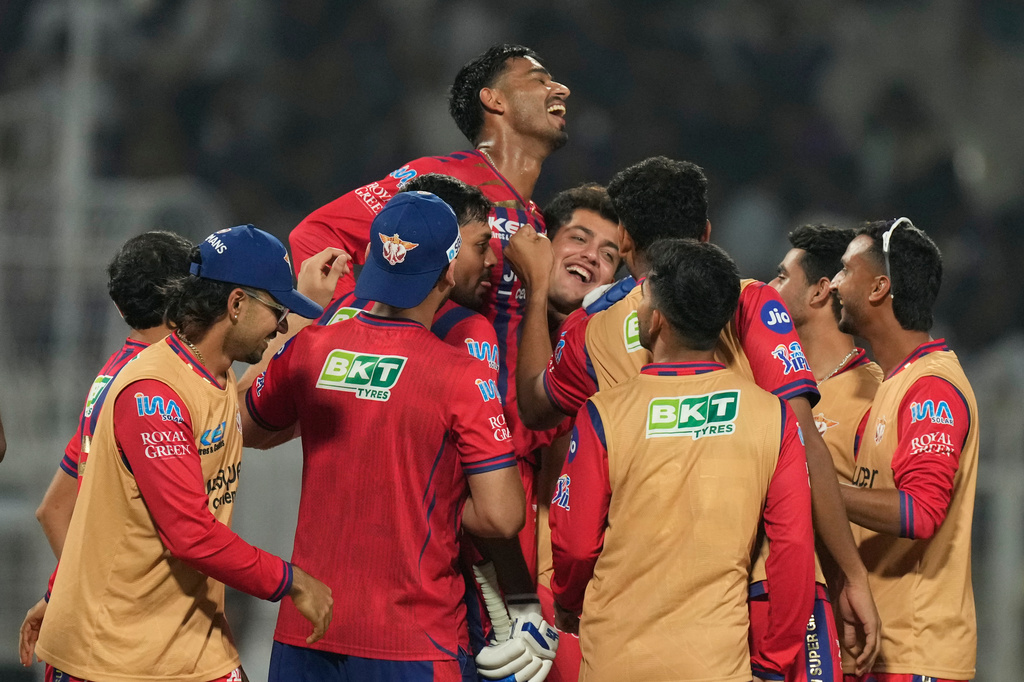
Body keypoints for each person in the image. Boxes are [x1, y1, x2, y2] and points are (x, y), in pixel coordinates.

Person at [513, 156, 880, 678]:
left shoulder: (586, 333)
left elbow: (532, 404)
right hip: (753, 590)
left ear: (626, 243)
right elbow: (802, 445)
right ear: (705, 234)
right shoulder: (750, 302)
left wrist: (532, 289)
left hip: (633, 606)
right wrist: (850, 575)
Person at [242, 191, 526, 682]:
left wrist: (304, 316)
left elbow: (244, 426)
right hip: (411, 638)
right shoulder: (461, 375)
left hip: (307, 630)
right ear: (448, 272)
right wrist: (433, 503)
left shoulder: (312, 347)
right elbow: (502, 517)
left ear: (373, 257)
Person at [31, 225, 335, 682]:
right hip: (113, 659)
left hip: (186, 642)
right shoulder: (151, 392)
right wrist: (290, 581)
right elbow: (189, 534)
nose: (281, 323)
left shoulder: (213, 373)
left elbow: (94, 507)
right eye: (277, 309)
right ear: (235, 305)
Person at [550, 238, 815, 681]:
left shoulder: (604, 414)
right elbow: (792, 552)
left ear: (657, 321)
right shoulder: (774, 416)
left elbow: (576, 544)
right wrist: (775, 661)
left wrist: (568, 601)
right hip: (715, 665)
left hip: (616, 662)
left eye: (644, 297)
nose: (636, 308)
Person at [830, 218, 978, 682]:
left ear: (879, 286)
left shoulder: (931, 388)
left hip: (917, 653)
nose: (833, 283)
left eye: (844, 270)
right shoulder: (894, 383)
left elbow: (920, 511)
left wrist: (815, 487)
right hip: (885, 650)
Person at [36, 231, 193, 560]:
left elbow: (53, 509)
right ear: (188, 298)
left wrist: (74, 597)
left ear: (120, 308)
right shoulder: (158, 383)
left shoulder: (113, 374)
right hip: (144, 604)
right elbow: (188, 532)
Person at [770, 225, 882, 485]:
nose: (769, 287)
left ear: (820, 291)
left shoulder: (874, 400)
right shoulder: (765, 382)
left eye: (782, 277)